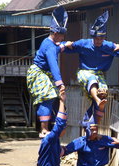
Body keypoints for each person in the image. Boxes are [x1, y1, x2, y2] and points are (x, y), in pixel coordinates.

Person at [64, 10, 119, 124]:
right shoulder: (83, 44)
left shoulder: (108, 46)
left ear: (104, 37)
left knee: (103, 93)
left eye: (101, 39)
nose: (99, 41)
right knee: (92, 80)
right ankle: (96, 100)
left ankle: (92, 123)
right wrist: (64, 44)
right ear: (92, 36)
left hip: (99, 74)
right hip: (84, 72)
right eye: (96, 38)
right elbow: (66, 47)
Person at [27, 6, 70, 138]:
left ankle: (51, 124)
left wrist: (63, 46)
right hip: (38, 73)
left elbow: (57, 48)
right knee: (49, 96)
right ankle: (44, 129)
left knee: (55, 98)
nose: (62, 39)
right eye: (62, 36)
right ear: (56, 34)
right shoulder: (50, 47)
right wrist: (60, 83)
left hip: (44, 73)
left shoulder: (50, 43)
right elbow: (54, 66)